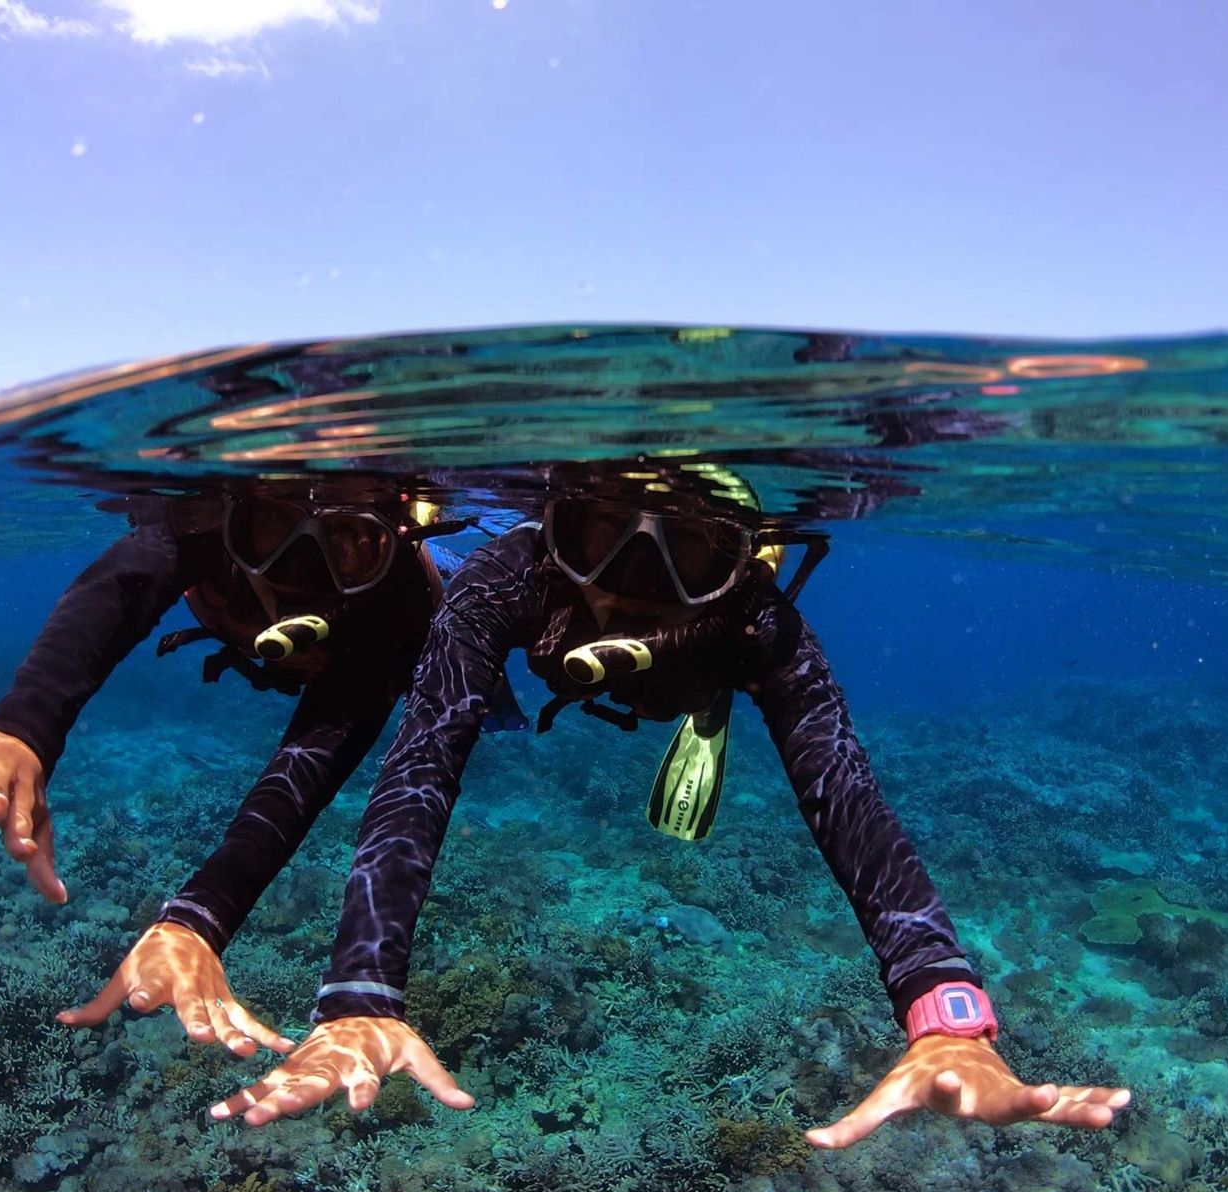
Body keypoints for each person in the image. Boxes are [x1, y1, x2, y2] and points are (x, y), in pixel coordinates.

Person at [206, 462, 1133, 1147]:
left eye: (685, 555)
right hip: (528, 642)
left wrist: (945, 1009)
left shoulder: (755, 620)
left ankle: (708, 706)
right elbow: (419, 762)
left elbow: (846, 793)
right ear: (554, 531)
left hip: (696, 674)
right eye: (599, 540)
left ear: (734, 566)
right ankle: (584, 686)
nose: (623, 590)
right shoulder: (505, 577)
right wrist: (359, 993)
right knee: (459, 693)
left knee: (699, 685)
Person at [0, 481, 506, 1060]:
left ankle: (445, 569)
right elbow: (115, 592)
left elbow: (310, 764)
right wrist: (26, 727)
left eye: (350, 542)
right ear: (236, 520)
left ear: (387, 543)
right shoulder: (200, 529)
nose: (302, 570)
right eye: (272, 530)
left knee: (458, 660)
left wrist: (202, 916)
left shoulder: (392, 602)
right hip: (274, 625)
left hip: (383, 633)